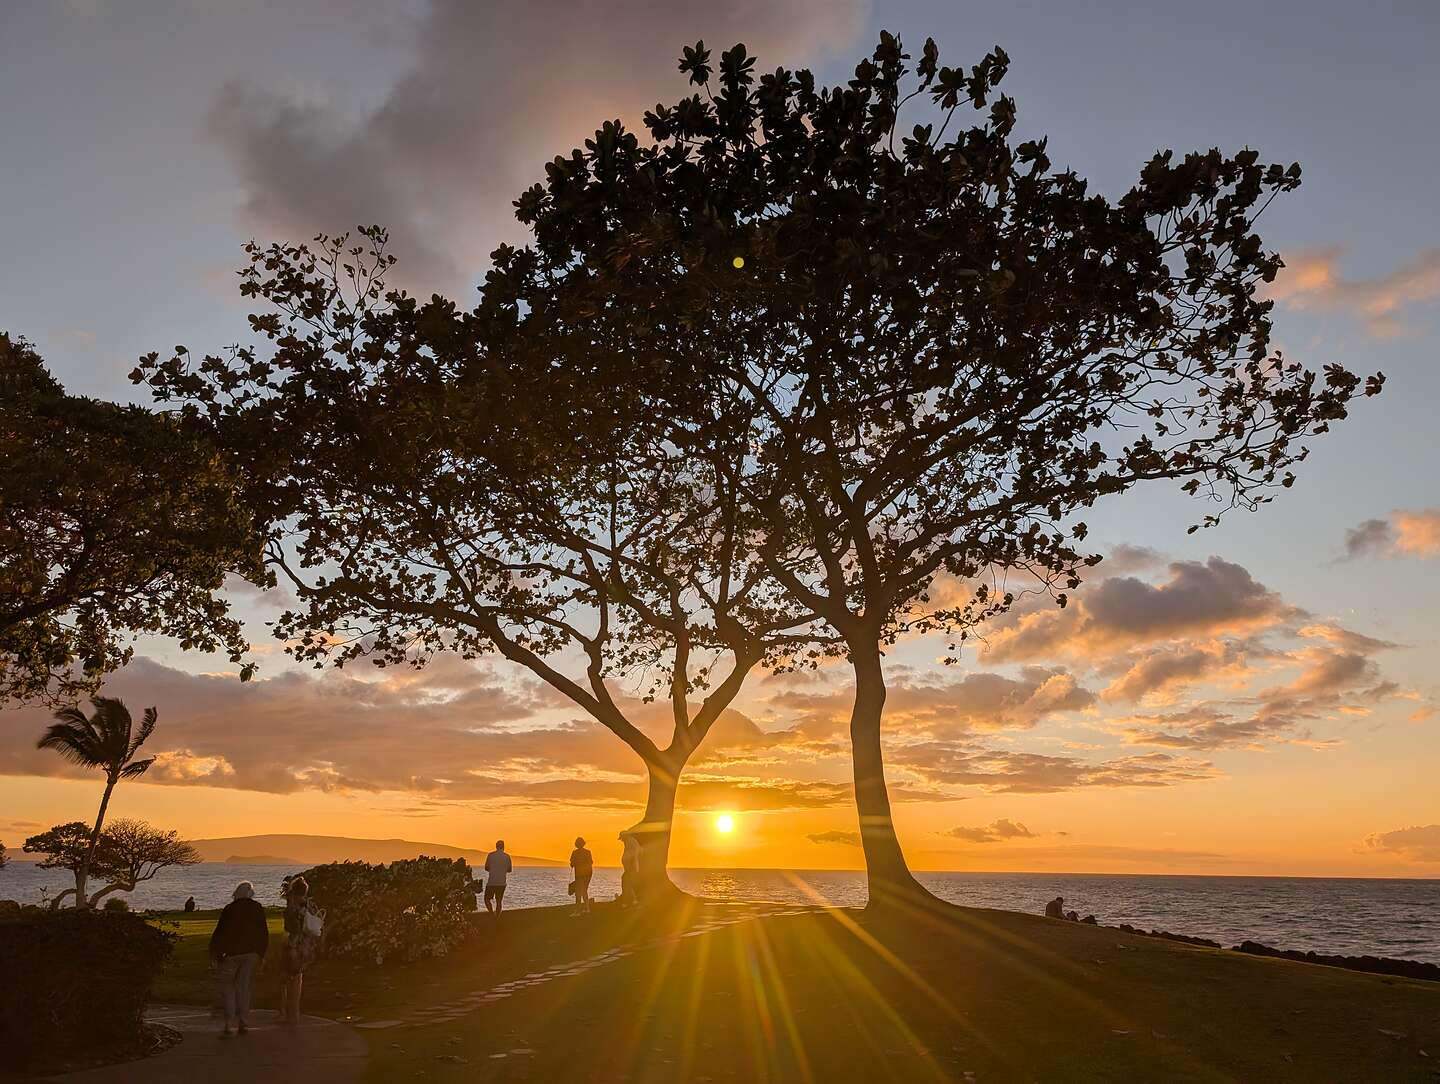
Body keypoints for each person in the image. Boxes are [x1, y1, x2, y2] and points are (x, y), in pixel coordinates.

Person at [209, 881, 268, 1037]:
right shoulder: (257, 908)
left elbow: (220, 931)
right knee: (243, 987)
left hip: (231, 953)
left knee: (228, 988)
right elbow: (263, 932)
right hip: (250, 953)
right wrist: (261, 954)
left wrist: (214, 952)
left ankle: (228, 1023)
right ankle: (243, 1022)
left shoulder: (230, 909)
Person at [279, 876, 320, 1024]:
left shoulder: (292, 908)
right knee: (297, 978)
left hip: (293, 944)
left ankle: (285, 1013)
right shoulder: (310, 906)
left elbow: (290, 927)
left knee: (285, 979)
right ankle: (294, 1013)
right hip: (306, 945)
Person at [483, 840, 512, 915]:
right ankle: (497, 918)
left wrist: (493, 869)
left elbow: (486, 868)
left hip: (492, 882)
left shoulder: (491, 855)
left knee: (486, 899)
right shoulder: (507, 856)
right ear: (503, 847)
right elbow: (509, 870)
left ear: (496, 846)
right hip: (502, 882)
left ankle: (491, 914)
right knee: (499, 901)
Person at [569, 836, 593, 915]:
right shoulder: (588, 852)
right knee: (584, 891)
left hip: (580, 874)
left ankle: (578, 910)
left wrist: (577, 863)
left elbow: (572, 864)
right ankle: (587, 908)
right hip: (588, 874)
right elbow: (591, 862)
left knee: (578, 892)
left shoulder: (575, 853)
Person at [618, 831, 640, 908]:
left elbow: (635, 853)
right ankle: (632, 900)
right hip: (629, 867)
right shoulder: (628, 841)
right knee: (627, 882)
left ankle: (629, 901)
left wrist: (632, 864)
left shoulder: (631, 841)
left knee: (626, 882)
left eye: (622, 838)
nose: (621, 840)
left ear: (625, 836)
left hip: (630, 867)